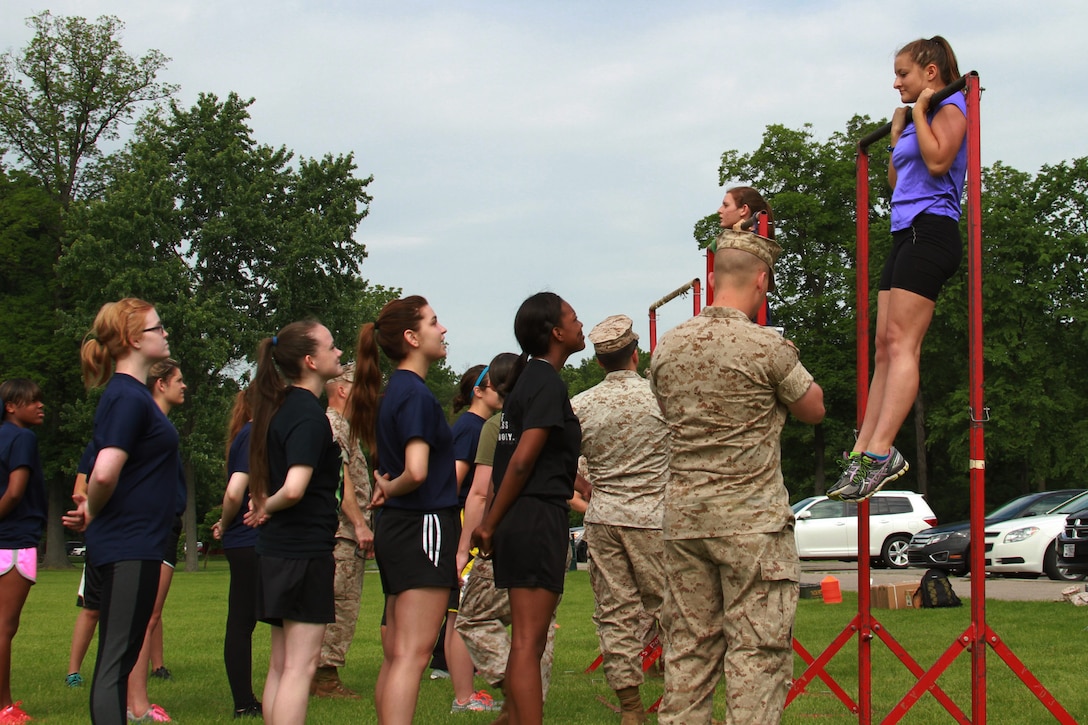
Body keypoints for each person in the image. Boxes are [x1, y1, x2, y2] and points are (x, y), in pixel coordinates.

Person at [649, 229, 825, 724]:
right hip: (751, 525)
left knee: (688, 651)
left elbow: (666, 412)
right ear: (762, 281)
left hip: (685, 520)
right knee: (756, 653)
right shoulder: (765, 347)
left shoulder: (667, 348)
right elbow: (814, 408)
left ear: (712, 277)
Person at [829, 36, 967, 502]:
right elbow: (896, 181)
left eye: (903, 73)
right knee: (884, 347)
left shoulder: (950, 108)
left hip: (932, 232)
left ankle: (883, 451)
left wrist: (923, 111)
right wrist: (896, 135)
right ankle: (863, 451)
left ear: (930, 71)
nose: (896, 82)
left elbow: (938, 160)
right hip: (905, 232)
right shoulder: (916, 119)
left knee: (902, 343)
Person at [472, 292, 585, 725]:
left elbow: (539, 457)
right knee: (526, 641)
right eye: (573, 319)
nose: (580, 325)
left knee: (530, 641)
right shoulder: (545, 381)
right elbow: (522, 460)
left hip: (528, 515)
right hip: (533, 518)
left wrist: (581, 483)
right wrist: (488, 524)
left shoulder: (530, 381)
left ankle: (510, 719)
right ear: (556, 332)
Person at [346, 295, 459, 725]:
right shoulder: (414, 395)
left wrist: (386, 490)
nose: (443, 329)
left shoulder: (393, 392)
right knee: (412, 655)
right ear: (412, 337)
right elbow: (414, 471)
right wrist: (389, 488)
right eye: (434, 321)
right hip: (422, 525)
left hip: (399, 528)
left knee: (397, 655)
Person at [66, 298, 178, 724]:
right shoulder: (128, 397)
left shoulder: (131, 395)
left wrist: (92, 508)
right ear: (134, 339)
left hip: (138, 543)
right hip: (128, 546)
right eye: (158, 327)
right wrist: (93, 509)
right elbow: (106, 470)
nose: (164, 333)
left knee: (122, 654)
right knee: (115, 662)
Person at [570, 315, 669, 725]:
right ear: (636, 353)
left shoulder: (579, 406)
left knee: (615, 612)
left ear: (598, 363)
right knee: (674, 612)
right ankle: (682, 699)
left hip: (604, 518)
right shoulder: (660, 398)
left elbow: (557, 461)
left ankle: (630, 707)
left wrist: (586, 487)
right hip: (655, 518)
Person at [245, 320, 344, 725]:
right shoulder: (306, 413)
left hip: (277, 552)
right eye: (332, 346)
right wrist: (266, 506)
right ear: (310, 360)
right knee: (300, 669)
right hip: (301, 553)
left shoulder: (279, 406)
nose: (339, 353)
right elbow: (295, 487)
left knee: (281, 666)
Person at [455, 352, 561, 725]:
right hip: (550, 529)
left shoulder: (498, 425)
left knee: (471, 617)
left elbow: (482, 491)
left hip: (508, 532)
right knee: (540, 627)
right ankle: (527, 702)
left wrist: (464, 543)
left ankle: (519, 691)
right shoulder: (550, 418)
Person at [124, 360, 187, 721]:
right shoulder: (146, 424)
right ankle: (138, 705)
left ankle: (135, 701)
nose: (184, 387)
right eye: (179, 381)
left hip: (163, 528)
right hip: (151, 530)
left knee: (146, 616)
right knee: (144, 618)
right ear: (160, 384)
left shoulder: (159, 426)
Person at [311, 362, 374, 699]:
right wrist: (360, 524)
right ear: (342, 389)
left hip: (346, 531)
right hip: (343, 533)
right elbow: (341, 479)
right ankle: (324, 677)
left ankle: (319, 672)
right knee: (340, 604)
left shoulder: (345, 427)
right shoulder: (334, 424)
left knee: (340, 602)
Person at [444, 364, 503, 713]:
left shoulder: (479, 426)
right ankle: (464, 697)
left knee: (462, 613)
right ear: (478, 391)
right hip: (465, 521)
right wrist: (460, 540)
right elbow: (456, 482)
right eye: (497, 385)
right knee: (461, 614)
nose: (504, 390)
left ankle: (466, 693)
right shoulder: (472, 428)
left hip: (468, 521)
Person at [210, 389, 262, 718]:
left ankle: (249, 700)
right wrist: (226, 523)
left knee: (244, 621)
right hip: (251, 539)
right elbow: (234, 492)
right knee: (244, 622)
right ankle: (244, 701)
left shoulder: (252, 434)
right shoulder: (255, 433)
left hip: (248, 539)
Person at [0, 379, 47, 725]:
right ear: (11, 406)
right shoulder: (22, 438)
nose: (40, 406)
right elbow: (15, 492)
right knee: (4, 627)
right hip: (14, 541)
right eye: (32, 401)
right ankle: (4, 708)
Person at [65, 443, 99, 690]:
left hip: (135, 538)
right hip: (103, 537)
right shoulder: (96, 447)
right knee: (91, 607)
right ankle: (73, 672)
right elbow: (80, 489)